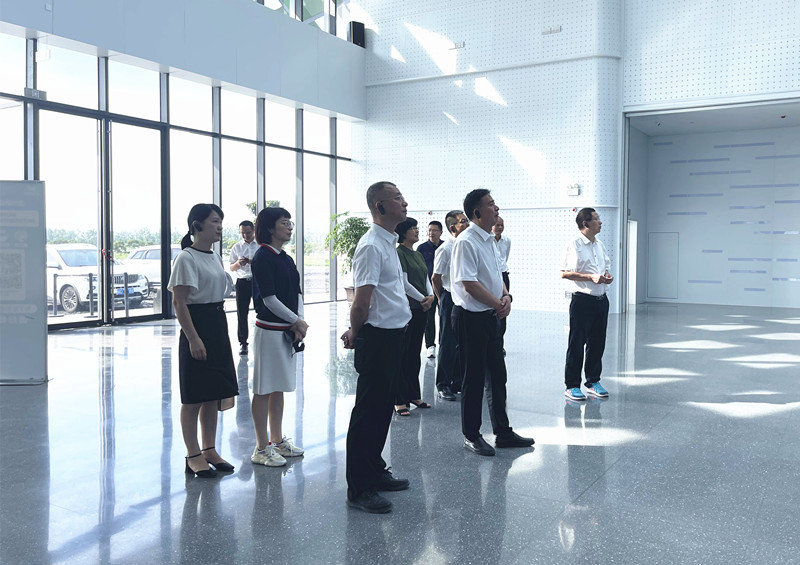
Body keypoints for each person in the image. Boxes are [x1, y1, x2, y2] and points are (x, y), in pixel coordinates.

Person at [341, 181, 413, 514]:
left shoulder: (388, 243)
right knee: (368, 413)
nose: (404, 203)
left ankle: (375, 470)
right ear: (380, 207)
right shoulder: (371, 246)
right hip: (378, 338)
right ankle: (359, 488)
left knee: (383, 409)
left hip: (394, 336)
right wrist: (355, 332)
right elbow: (361, 301)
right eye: (397, 198)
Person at [451, 189, 534, 456]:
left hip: (490, 316)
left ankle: (503, 432)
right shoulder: (466, 241)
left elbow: (498, 276)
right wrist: (498, 303)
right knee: (473, 379)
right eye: (491, 204)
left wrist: (506, 296)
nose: (496, 208)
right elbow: (469, 284)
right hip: (470, 318)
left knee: (497, 376)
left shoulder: (490, 240)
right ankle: (471, 435)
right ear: (477, 212)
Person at [169, 203, 239, 478]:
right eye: (214, 221)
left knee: (213, 393)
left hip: (217, 323)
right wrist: (193, 338)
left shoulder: (214, 256)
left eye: (221, 221)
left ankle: (209, 449)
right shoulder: (186, 258)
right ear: (197, 225)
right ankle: (192, 454)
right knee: (194, 395)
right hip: (196, 325)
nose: (220, 226)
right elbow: (179, 302)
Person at [249, 207, 308, 467]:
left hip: (287, 330)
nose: (290, 227)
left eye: (290, 223)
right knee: (264, 389)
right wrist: (296, 320)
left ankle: (277, 439)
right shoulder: (262, 257)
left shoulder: (285, 258)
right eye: (284, 223)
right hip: (269, 331)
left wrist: (298, 321)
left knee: (278, 387)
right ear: (270, 228)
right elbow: (269, 299)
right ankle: (261, 447)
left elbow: (297, 293)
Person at [560, 207, 612, 401]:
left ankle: (593, 381)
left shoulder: (600, 245)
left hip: (601, 300)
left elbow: (605, 268)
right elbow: (565, 273)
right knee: (576, 344)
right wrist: (590, 277)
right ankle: (572, 385)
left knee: (597, 343)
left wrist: (606, 277)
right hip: (582, 301)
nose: (600, 222)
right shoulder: (573, 244)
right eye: (597, 219)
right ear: (585, 223)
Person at [393, 217, 435, 417]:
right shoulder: (399, 253)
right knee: (403, 354)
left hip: (421, 308)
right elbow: (404, 283)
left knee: (414, 353)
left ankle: (413, 395)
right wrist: (422, 299)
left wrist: (431, 296)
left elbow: (426, 277)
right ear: (403, 232)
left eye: (417, 228)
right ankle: (399, 399)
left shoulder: (417, 254)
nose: (417, 231)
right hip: (409, 308)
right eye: (413, 228)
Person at [431, 210, 469, 401]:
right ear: (453, 228)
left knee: (461, 341)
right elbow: (435, 278)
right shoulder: (445, 249)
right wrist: (441, 300)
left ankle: (457, 381)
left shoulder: (466, 245)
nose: (467, 224)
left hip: (463, 298)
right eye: (463, 221)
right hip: (448, 297)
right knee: (447, 341)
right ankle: (443, 384)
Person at [229, 220, 259, 356]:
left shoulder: (260, 245)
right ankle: (243, 343)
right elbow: (231, 267)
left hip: (257, 281)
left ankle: (261, 340)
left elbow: (263, 263)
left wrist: (250, 262)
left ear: (253, 231)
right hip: (242, 282)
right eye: (242, 233)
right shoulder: (236, 247)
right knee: (242, 313)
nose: (245, 235)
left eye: (248, 232)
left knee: (262, 310)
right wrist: (238, 264)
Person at [416, 221, 444, 358]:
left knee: (444, 316)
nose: (431, 233)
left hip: (443, 287)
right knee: (429, 318)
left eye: (434, 230)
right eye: (429, 230)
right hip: (428, 288)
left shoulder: (445, 247)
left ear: (441, 232)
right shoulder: (421, 248)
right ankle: (430, 346)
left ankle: (443, 343)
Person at [493, 216, 511, 345]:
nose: (500, 227)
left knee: (504, 305)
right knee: (493, 306)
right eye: (497, 225)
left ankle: (500, 343)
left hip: (503, 274)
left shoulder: (506, 241)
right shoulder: (488, 240)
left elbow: (504, 258)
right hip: (492, 275)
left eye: (502, 225)